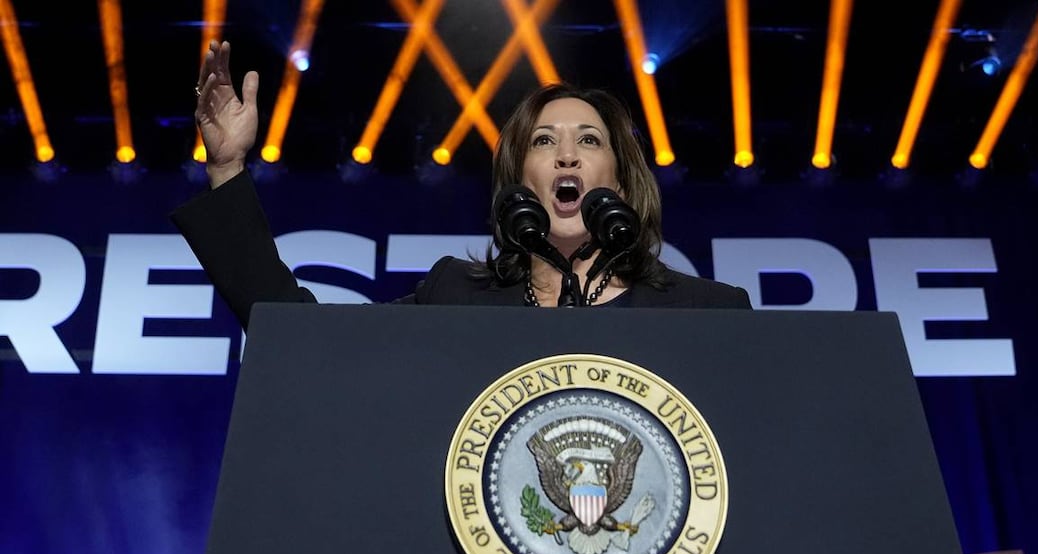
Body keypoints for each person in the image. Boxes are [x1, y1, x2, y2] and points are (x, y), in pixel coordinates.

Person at [170, 40, 750, 327]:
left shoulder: (708, 313)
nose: (567, 154)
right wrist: (226, 171)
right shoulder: (456, 297)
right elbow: (300, 343)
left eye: (590, 141)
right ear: (519, 182)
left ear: (621, 182)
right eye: (544, 142)